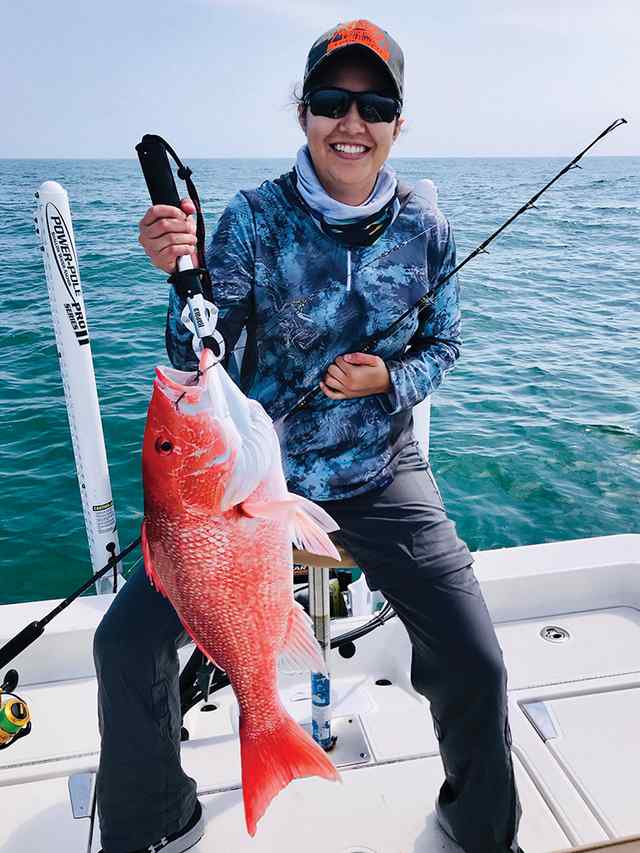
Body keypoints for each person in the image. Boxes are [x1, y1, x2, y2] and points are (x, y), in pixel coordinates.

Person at [94, 18, 524, 853]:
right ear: (303, 113)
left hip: (379, 471)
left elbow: (446, 344)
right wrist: (174, 274)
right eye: (331, 100)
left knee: (476, 656)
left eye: (374, 104)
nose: (351, 122)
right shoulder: (256, 220)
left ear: (400, 121)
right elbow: (196, 356)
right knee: (124, 641)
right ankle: (155, 822)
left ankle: (481, 831)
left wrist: (388, 380)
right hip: (253, 487)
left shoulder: (426, 230)